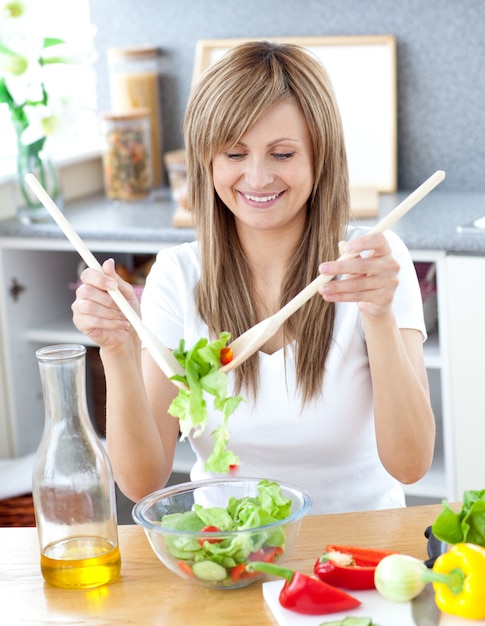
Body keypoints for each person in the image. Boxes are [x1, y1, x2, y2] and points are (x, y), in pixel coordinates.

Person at [72, 41, 435, 514]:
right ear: (207, 160)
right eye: (235, 153)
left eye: (282, 154)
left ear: (319, 156)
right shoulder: (178, 275)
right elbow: (142, 483)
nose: (258, 177)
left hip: (356, 552)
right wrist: (118, 351)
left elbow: (411, 464)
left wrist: (379, 316)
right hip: (230, 555)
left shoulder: (370, 263)